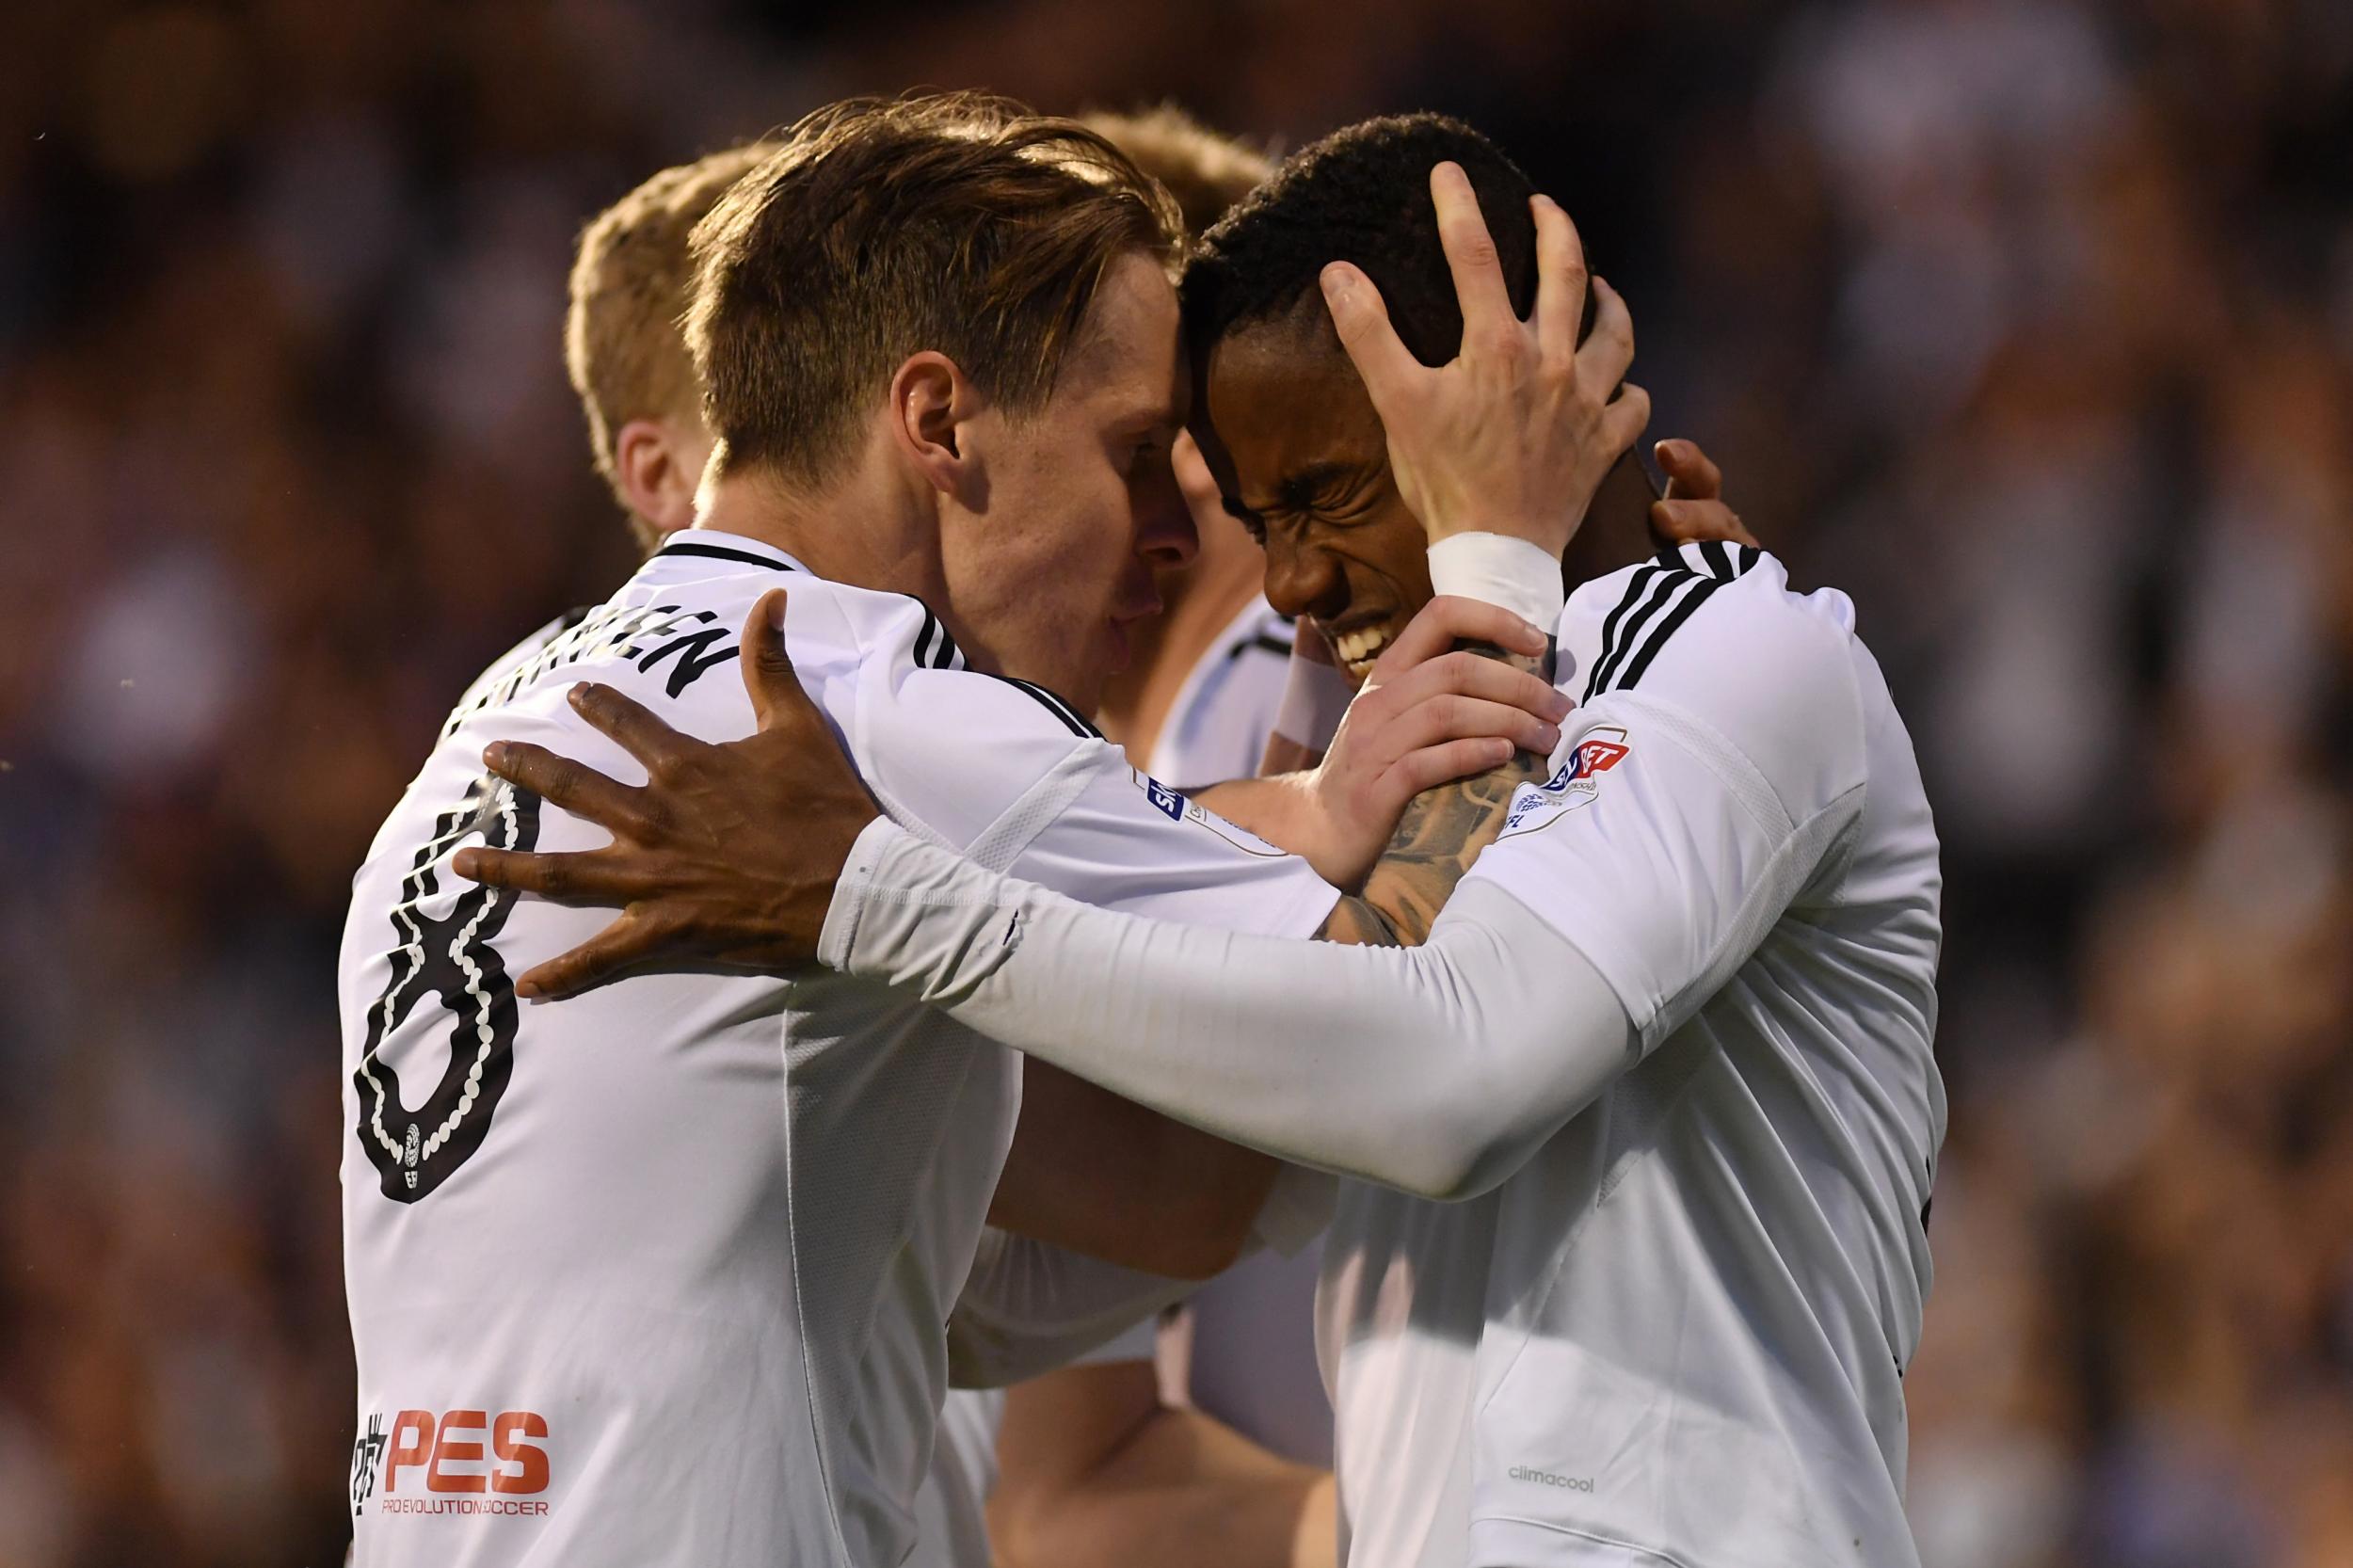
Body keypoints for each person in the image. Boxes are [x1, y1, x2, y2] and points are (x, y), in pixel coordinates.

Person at [456, 119, 1943, 1568]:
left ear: (1500, 402)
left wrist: (869, 896)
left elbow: (1450, 1076)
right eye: (1252, 517)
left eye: (1326, 496)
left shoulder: (1739, 651)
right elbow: (1210, 1172)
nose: (1283, 580)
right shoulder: (1428, 732)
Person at [339, 95, 1577, 1568]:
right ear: (936, 422)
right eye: (1133, 456)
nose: (1180, 540)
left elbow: (1165, 1198)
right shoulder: (866, 705)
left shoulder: (501, 716)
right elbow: (1405, 1033)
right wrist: (1495, 552)